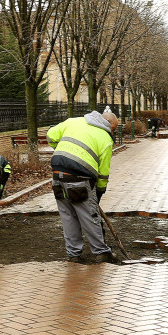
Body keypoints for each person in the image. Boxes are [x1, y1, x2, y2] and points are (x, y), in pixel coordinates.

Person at [47, 108, 118, 263]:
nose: (113, 132)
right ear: (108, 123)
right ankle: (101, 252)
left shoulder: (74, 121)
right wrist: (100, 190)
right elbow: (103, 171)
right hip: (80, 178)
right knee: (89, 215)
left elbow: (50, 135)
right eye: (114, 129)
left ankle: (73, 254)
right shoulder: (105, 138)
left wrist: (62, 151)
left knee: (68, 216)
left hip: (58, 173)